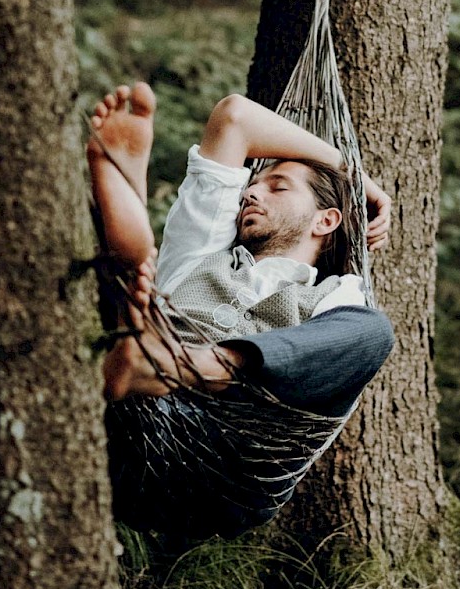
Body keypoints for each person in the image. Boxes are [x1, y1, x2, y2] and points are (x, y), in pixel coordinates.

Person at [87, 82, 395, 546]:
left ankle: (164, 356)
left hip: (223, 469)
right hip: (133, 423)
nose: (253, 192)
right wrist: (350, 171)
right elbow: (234, 118)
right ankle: (125, 242)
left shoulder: (337, 296)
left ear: (326, 220)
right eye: (252, 183)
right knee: (135, 289)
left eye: (278, 186)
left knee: (374, 331)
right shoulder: (203, 250)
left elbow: (349, 349)